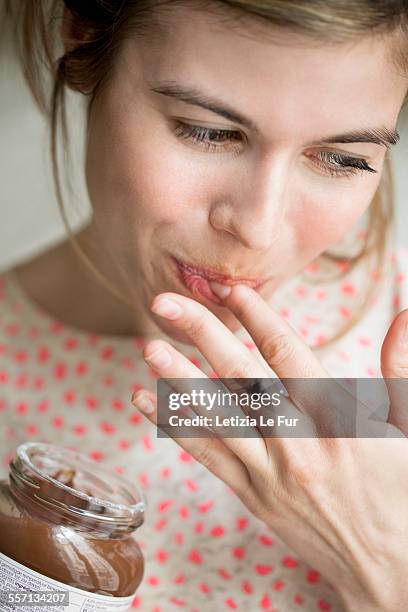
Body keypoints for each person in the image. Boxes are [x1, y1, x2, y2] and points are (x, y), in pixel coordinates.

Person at [1, 0, 408, 609]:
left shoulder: (393, 343)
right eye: (209, 131)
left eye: (343, 158)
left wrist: (386, 566)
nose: (257, 230)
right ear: (81, 38)